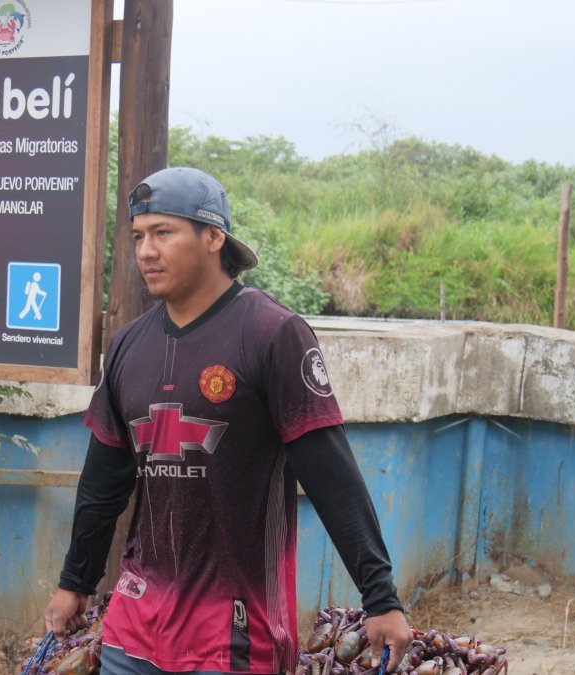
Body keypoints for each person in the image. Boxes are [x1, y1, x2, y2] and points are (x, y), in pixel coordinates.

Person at [43, 167, 413, 674]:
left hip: (238, 635)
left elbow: (333, 478)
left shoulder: (272, 333)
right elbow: (103, 483)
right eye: (138, 236)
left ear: (214, 236)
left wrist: (381, 597)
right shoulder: (129, 345)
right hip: (135, 628)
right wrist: (74, 583)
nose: (146, 251)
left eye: (163, 233)